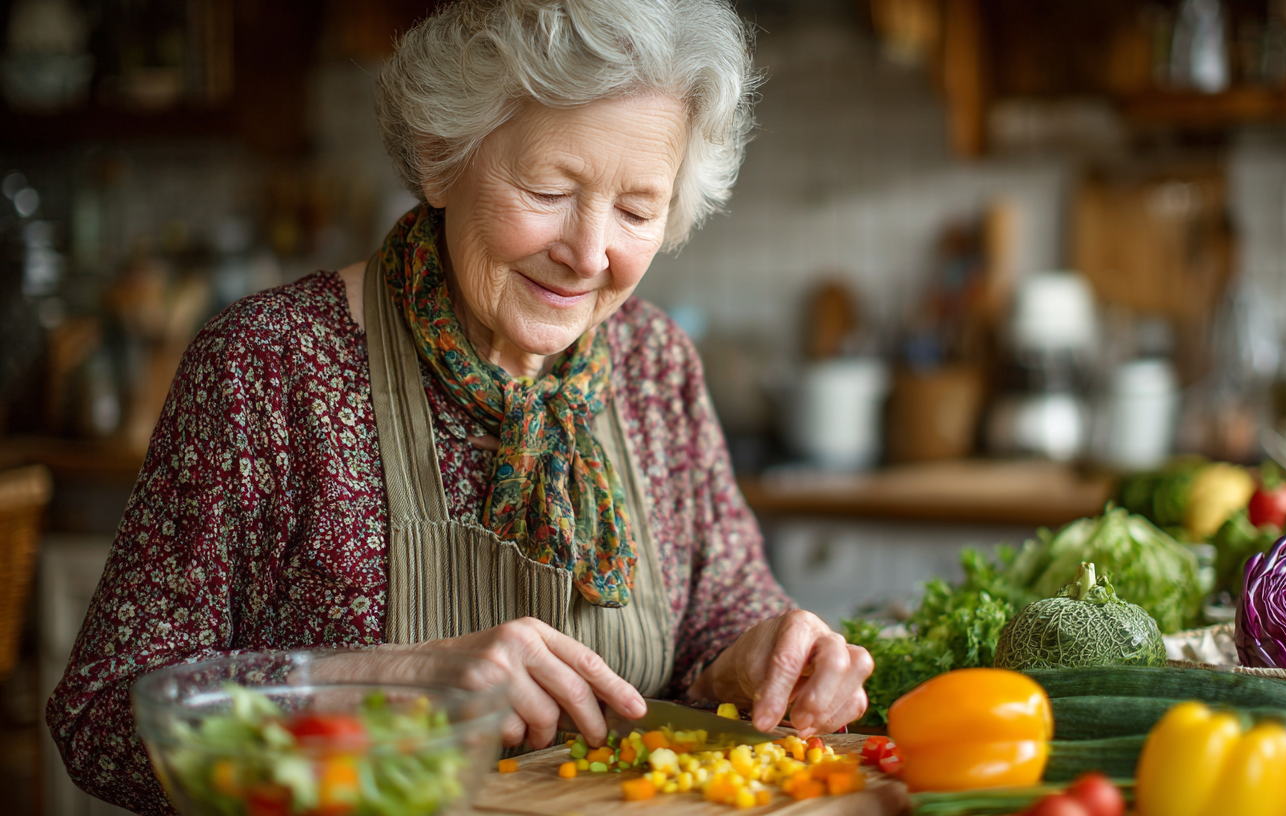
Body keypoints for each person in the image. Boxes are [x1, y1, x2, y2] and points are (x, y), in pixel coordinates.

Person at [47, 1, 874, 811]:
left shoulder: (655, 365)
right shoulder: (271, 366)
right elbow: (104, 717)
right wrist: (396, 682)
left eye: (635, 210)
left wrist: (763, 656)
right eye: (549, 190)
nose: (588, 253)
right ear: (443, 157)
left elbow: (721, 619)